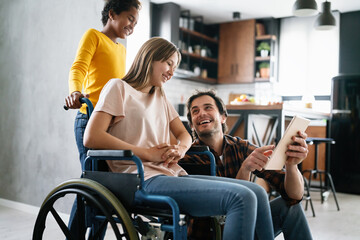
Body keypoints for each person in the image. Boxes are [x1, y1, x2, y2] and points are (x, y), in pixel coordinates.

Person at [84, 37, 275, 240]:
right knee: (242, 197)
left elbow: (183, 133)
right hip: (141, 178)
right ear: (151, 57)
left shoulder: (159, 95)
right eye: (169, 64)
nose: (171, 72)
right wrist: (147, 153)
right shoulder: (118, 88)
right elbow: (92, 136)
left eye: (174, 67)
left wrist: (181, 149)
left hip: (171, 173)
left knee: (258, 192)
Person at [181, 90, 313, 240]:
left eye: (208, 107)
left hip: (247, 227)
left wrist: (291, 165)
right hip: (213, 234)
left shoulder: (241, 147)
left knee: (291, 209)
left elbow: (294, 196)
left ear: (223, 117)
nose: (201, 113)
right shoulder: (189, 158)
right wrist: (245, 169)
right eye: (195, 111)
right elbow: (224, 213)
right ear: (192, 124)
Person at [64, 0, 140, 237]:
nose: (132, 26)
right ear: (112, 14)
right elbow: (78, 67)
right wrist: (75, 91)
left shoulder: (122, 50)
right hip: (89, 120)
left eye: (135, 23)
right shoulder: (94, 36)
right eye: (130, 18)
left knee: (107, 188)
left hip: (110, 127)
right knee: (93, 182)